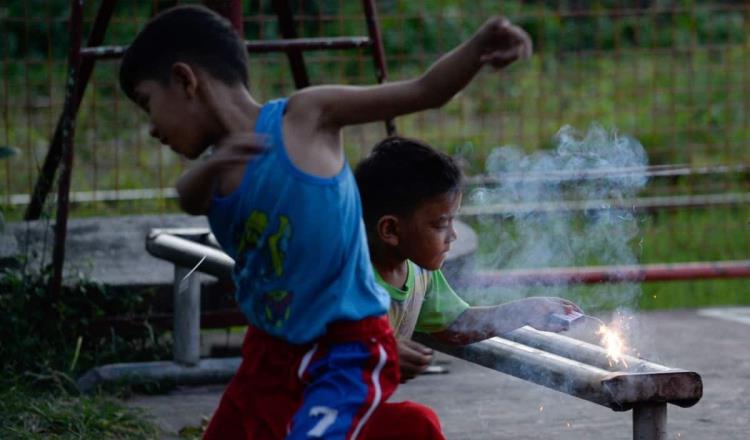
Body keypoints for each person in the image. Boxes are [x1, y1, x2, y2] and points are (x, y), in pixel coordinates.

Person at [119, 4, 533, 439]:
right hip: (270, 355)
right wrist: (216, 164)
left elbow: (424, 90)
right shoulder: (214, 175)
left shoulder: (305, 118)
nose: (152, 129)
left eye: (148, 104)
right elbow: (186, 195)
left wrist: (479, 47)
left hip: (345, 350)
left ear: (186, 80)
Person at [355, 136, 583, 382]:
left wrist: (523, 311)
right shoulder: (349, 280)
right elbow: (320, 345)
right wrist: (377, 351)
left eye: (454, 220)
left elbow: (455, 325)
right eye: (441, 224)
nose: (452, 235)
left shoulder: (419, 272)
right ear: (390, 230)